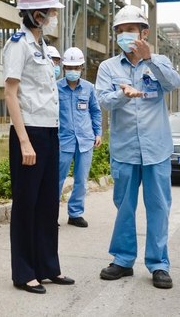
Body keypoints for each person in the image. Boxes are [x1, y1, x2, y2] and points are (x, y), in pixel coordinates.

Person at [95, 4, 180, 290]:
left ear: (143, 33)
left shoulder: (159, 61)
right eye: (120, 31)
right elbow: (103, 100)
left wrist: (150, 59)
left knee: (158, 207)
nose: (124, 35)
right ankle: (123, 259)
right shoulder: (108, 67)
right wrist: (123, 94)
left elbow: (174, 83)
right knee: (124, 207)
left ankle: (159, 264)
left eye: (130, 29)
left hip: (156, 149)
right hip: (125, 149)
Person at [4, 0, 74, 294]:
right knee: (26, 204)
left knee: (47, 203)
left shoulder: (42, 45)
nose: (53, 17)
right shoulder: (17, 44)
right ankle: (24, 272)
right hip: (29, 131)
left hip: (49, 131)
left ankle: (48, 267)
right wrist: (23, 141)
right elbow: (10, 93)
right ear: (35, 14)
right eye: (50, 12)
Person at [57, 47, 102, 227]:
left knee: (81, 180)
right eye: (69, 67)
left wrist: (98, 133)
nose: (73, 71)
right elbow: (50, 115)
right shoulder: (56, 88)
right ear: (64, 68)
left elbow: (95, 111)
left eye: (76, 67)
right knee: (56, 179)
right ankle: (50, 214)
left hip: (85, 140)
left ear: (82, 68)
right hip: (62, 141)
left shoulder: (89, 88)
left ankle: (75, 214)